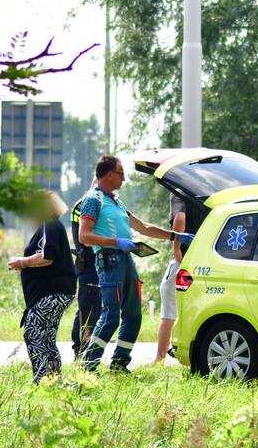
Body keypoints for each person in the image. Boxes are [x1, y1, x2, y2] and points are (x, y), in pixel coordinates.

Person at [78, 155, 194, 372]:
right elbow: (84, 235)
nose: (124, 179)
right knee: (111, 314)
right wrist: (116, 242)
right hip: (110, 261)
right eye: (121, 174)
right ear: (110, 175)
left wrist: (175, 236)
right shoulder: (93, 199)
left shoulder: (116, 201)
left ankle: (119, 364)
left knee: (133, 315)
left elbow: (144, 228)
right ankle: (88, 366)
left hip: (126, 259)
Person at [8, 191, 76, 383]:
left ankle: (41, 379)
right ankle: (54, 379)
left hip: (51, 292)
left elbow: (47, 257)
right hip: (58, 292)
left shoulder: (49, 226)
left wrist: (22, 262)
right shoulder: (52, 226)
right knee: (46, 337)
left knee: (34, 332)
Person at [156, 194, 201, 362]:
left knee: (169, 310)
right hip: (204, 260)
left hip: (184, 261)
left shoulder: (179, 192)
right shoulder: (206, 191)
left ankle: (159, 359)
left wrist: (177, 249)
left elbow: (180, 217)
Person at [70, 192, 101, 358]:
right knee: (87, 308)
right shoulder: (86, 203)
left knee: (97, 308)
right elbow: (85, 239)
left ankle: (89, 349)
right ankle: (80, 349)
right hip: (88, 264)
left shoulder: (98, 202)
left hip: (96, 265)